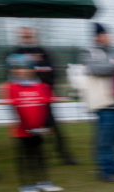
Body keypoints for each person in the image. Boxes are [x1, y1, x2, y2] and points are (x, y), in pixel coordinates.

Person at [11, 27, 77, 165]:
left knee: (52, 127)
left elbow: (51, 73)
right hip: (26, 101)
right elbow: (13, 77)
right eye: (24, 37)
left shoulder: (44, 53)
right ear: (20, 38)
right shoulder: (16, 54)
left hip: (43, 99)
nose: (27, 40)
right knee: (31, 130)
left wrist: (48, 90)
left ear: (35, 37)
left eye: (30, 37)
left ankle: (64, 155)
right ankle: (36, 157)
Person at [1, 55, 63, 192]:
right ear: (11, 70)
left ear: (33, 69)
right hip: (21, 130)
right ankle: (27, 185)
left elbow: (46, 107)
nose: (22, 71)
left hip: (38, 129)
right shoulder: (9, 87)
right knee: (26, 157)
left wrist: (46, 126)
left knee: (41, 155)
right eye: (17, 68)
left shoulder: (42, 86)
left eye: (26, 68)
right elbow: (13, 110)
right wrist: (26, 127)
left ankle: (43, 182)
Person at [79, 23, 114, 182]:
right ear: (97, 37)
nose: (109, 37)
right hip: (102, 102)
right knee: (105, 138)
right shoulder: (88, 53)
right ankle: (105, 170)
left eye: (109, 34)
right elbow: (96, 70)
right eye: (105, 34)